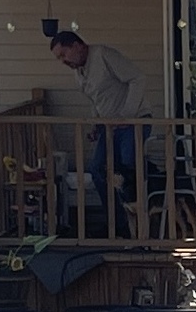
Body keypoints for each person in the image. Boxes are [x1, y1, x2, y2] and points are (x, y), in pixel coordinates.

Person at [52, 31, 151, 230]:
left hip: (134, 122)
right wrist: (96, 125)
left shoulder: (104, 55)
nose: (63, 61)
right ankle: (117, 223)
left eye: (64, 54)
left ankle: (142, 224)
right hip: (109, 127)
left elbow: (137, 78)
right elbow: (97, 100)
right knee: (97, 168)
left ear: (77, 45)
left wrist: (127, 114)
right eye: (59, 58)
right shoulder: (79, 72)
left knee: (128, 167)